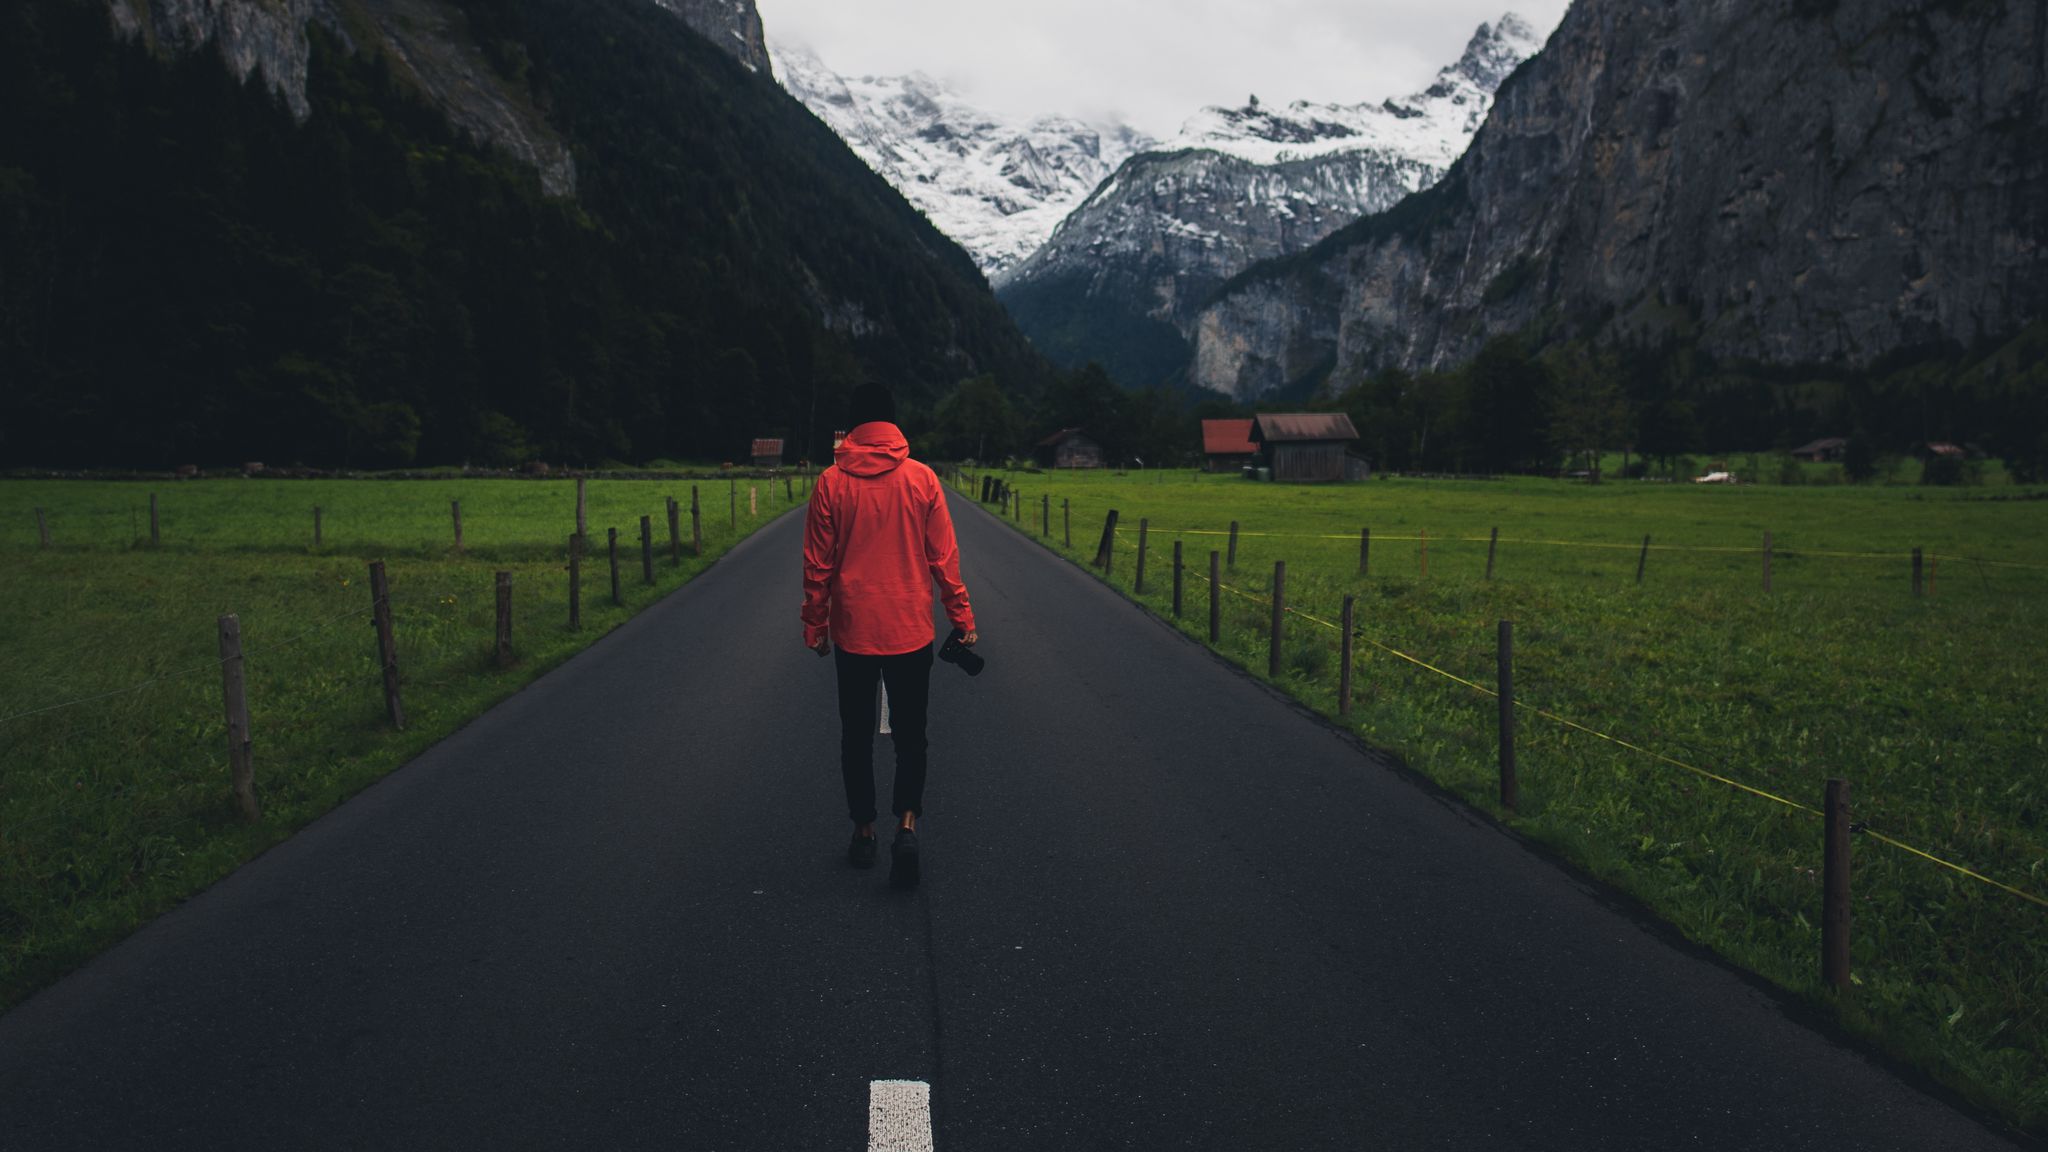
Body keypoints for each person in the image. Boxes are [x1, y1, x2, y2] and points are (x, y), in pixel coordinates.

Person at [802, 382, 976, 888]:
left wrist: (815, 624)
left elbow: (817, 567)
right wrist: (961, 617)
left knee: (856, 736)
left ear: (854, 425)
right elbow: (943, 559)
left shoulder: (830, 483)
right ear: (892, 422)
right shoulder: (922, 479)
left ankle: (863, 832)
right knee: (911, 735)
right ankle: (907, 826)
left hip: (854, 630)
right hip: (909, 630)